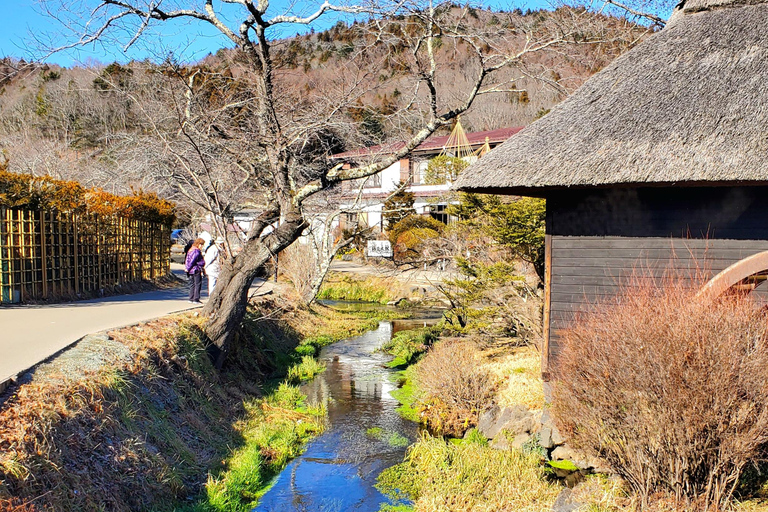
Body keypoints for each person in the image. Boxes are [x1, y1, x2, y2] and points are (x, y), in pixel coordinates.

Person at [185, 238, 205, 304]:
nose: (202, 246)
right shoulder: (196, 251)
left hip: (191, 270)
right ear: (199, 244)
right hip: (196, 269)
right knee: (197, 284)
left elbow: (187, 260)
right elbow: (192, 261)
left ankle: (191, 298)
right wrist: (188, 268)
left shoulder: (190, 250)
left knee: (192, 284)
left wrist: (187, 268)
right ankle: (196, 299)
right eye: (202, 245)